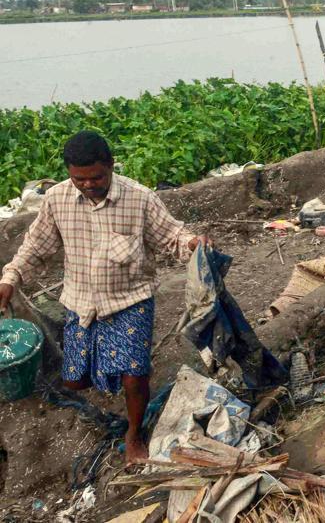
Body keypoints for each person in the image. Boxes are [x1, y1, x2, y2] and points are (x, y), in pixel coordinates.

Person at [0, 131, 212, 464]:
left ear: (111, 166)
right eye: (78, 179)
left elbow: (171, 235)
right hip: (80, 301)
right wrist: (10, 278)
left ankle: (134, 434)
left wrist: (191, 244)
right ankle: (108, 384)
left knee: (134, 375)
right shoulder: (56, 200)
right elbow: (35, 248)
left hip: (129, 300)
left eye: (96, 177)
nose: (87, 185)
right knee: (75, 380)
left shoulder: (139, 199)